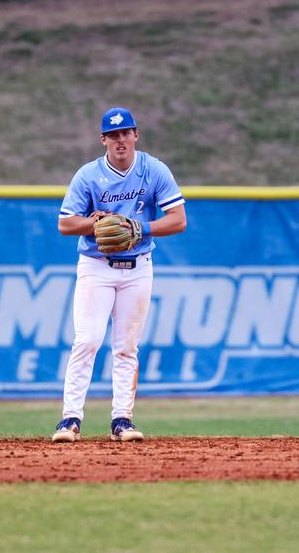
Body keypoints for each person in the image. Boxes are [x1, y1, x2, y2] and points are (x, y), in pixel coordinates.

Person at [53, 106, 187, 442]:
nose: (120, 140)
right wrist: (95, 222)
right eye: (113, 135)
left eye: (126, 132)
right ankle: (70, 420)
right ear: (103, 140)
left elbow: (179, 219)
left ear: (136, 135)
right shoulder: (88, 175)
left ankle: (122, 420)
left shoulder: (154, 170)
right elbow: (66, 223)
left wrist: (139, 228)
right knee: (87, 340)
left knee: (127, 347)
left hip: (139, 267)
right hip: (97, 266)